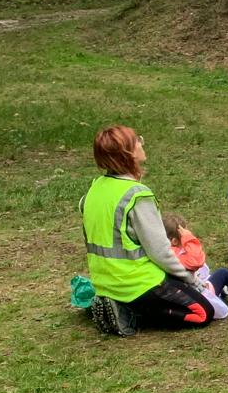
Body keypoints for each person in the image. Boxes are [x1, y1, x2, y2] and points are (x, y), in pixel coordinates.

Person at [82, 125, 217, 336]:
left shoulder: (94, 189)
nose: (141, 143)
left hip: (104, 282)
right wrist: (193, 281)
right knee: (203, 312)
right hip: (137, 282)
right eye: (136, 140)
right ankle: (131, 313)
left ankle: (118, 303)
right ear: (127, 153)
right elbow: (160, 251)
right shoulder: (136, 195)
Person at [164, 213, 228, 312]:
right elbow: (197, 261)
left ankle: (223, 290)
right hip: (197, 296)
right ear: (175, 241)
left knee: (211, 276)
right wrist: (189, 240)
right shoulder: (177, 255)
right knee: (223, 273)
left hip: (179, 296)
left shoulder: (163, 255)